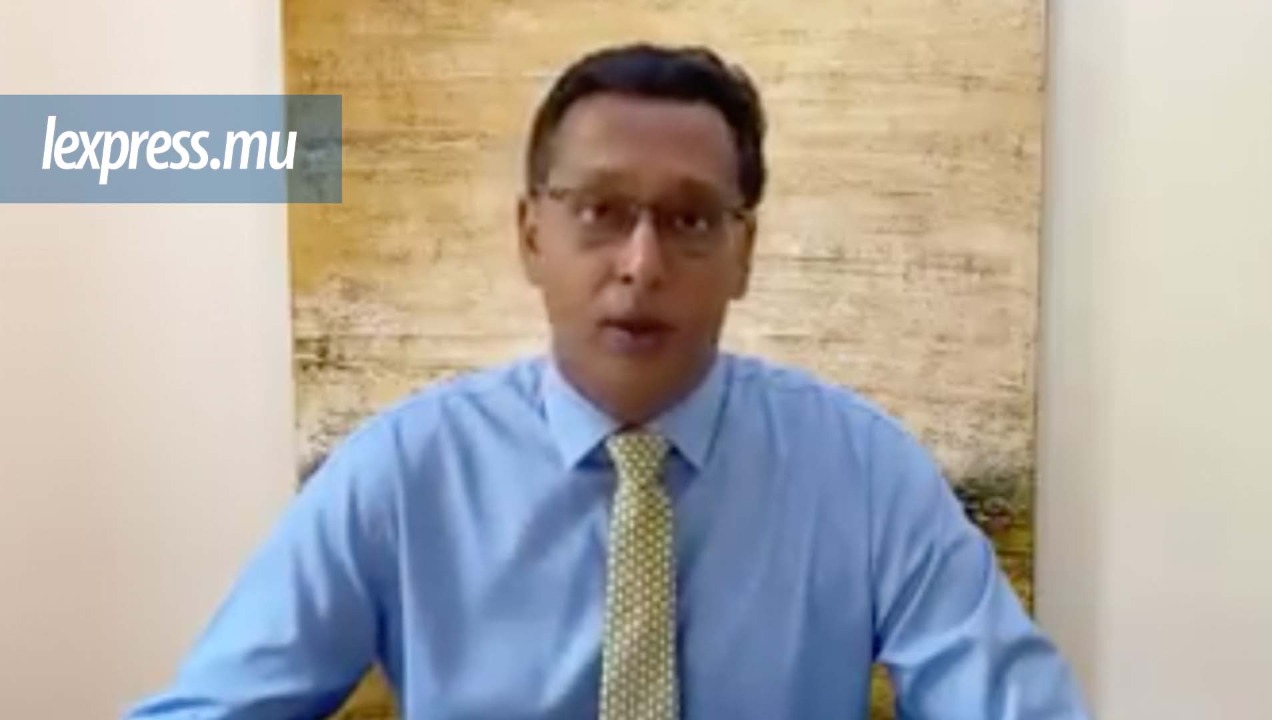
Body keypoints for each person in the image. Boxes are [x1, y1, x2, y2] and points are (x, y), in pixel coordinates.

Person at [127, 42, 1088, 719]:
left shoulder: (864, 474)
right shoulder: (401, 473)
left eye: (691, 220)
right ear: (530, 234)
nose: (640, 264)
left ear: (744, 252)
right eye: (599, 211)